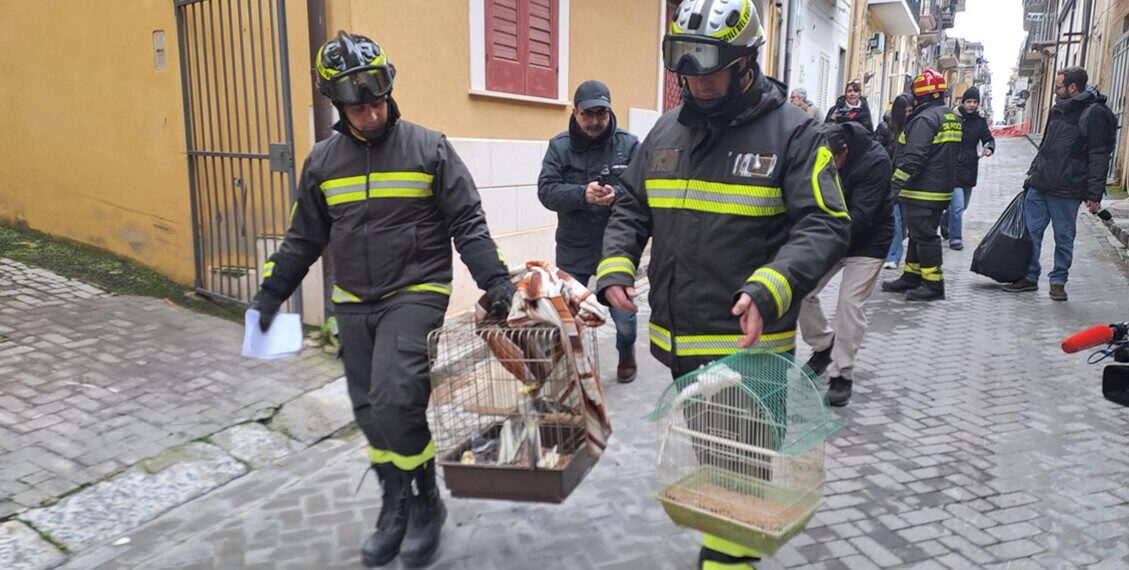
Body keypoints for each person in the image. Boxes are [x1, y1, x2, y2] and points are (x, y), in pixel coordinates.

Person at [248, 32, 516, 568]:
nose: (371, 113)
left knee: (397, 398)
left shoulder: (429, 148)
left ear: (389, 89)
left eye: (377, 101)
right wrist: (269, 297)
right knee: (371, 413)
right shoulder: (323, 162)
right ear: (337, 105)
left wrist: (497, 282)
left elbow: (468, 222)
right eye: (358, 106)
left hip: (415, 291)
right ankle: (394, 501)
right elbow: (303, 239)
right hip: (352, 300)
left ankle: (425, 504)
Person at [598, 1, 850, 567]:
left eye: (710, 66)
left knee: (739, 482)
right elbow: (632, 209)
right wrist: (615, 265)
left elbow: (825, 223)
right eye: (686, 66)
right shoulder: (666, 130)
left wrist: (769, 287)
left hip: (747, 354)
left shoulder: (795, 133)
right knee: (720, 468)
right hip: (680, 352)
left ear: (745, 63)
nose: (696, 79)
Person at [538, 80, 641, 382]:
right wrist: (581, 194)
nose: (596, 121)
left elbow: (643, 190)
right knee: (568, 317)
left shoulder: (629, 145)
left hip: (616, 246)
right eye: (589, 114)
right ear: (576, 112)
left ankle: (626, 352)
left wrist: (617, 195)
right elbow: (546, 191)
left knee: (624, 315)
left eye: (602, 114)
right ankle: (576, 369)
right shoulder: (559, 147)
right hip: (574, 247)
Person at [1003, 67, 1117, 300]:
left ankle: (1058, 281)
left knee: (1063, 237)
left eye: (1058, 86)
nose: (1054, 90)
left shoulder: (1093, 113)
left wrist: (1094, 193)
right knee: (1030, 233)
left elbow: (1099, 154)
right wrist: (1033, 175)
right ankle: (1029, 276)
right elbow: (1045, 147)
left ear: (1072, 88)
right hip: (1040, 185)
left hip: (1067, 189)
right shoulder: (1057, 110)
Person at [800, 123, 893, 406]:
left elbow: (862, 216)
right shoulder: (818, 152)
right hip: (833, 234)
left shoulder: (876, 162)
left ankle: (843, 375)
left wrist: (820, 235)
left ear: (845, 151)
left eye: (833, 161)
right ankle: (823, 346)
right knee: (801, 289)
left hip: (868, 240)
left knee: (849, 305)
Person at [881, 69, 961, 302]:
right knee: (917, 235)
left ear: (921, 96)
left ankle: (933, 284)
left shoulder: (925, 119)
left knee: (925, 236)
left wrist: (892, 188)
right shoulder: (948, 116)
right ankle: (912, 276)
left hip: (923, 190)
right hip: (938, 188)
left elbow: (913, 159)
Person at [940, 86, 995, 250]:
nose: (971, 105)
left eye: (974, 102)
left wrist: (989, 147)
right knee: (957, 206)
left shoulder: (979, 122)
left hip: (970, 167)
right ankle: (955, 239)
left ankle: (944, 221)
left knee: (962, 206)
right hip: (953, 166)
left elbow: (988, 138)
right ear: (962, 102)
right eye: (968, 102)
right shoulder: (951, 118)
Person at [878, 94, 914, 269]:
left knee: (903, 221)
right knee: (895, 218)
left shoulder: (916, 128)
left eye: (911, 111)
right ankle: (893, 255)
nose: (909, 114)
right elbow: (877, 149)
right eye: (906, 111)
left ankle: (895, 246)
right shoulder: (885, 128)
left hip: (908, 179)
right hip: (890, 179)